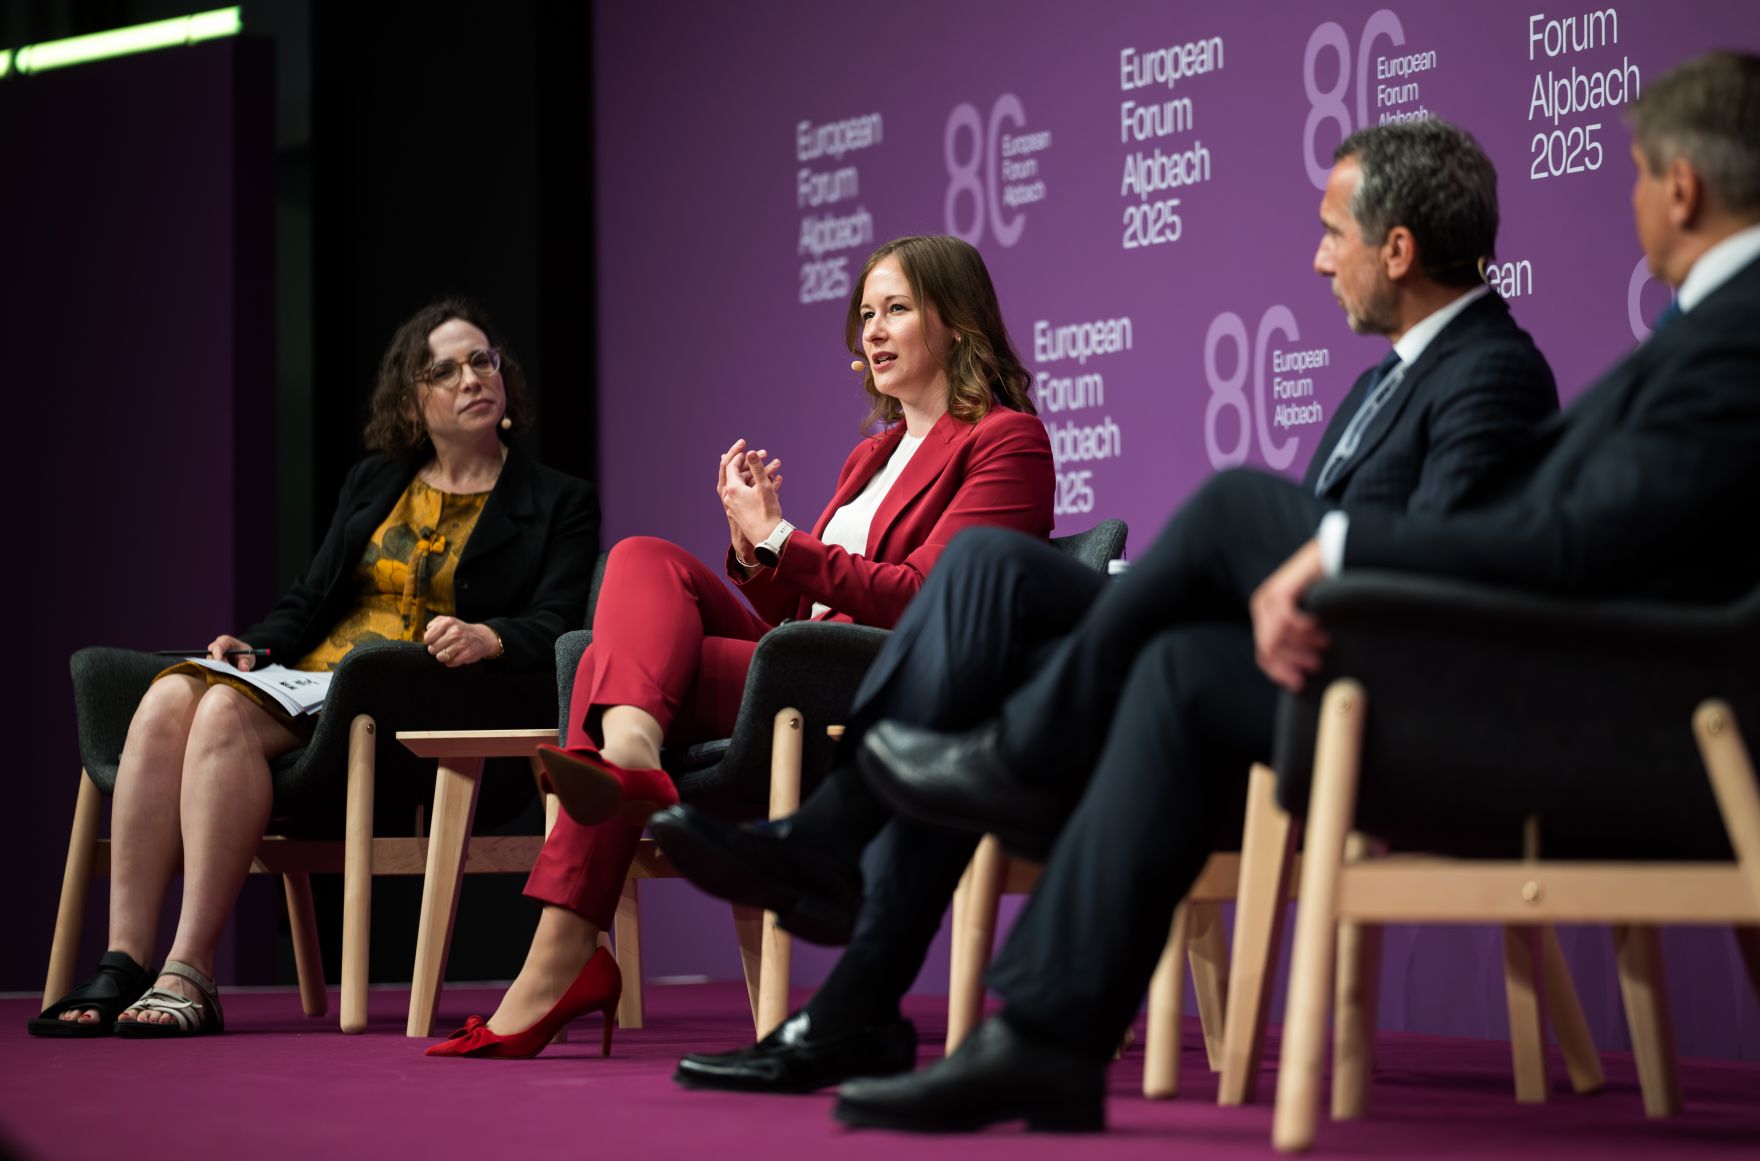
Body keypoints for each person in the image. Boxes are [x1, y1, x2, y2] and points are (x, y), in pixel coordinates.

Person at [832, 50, 1760, 1131]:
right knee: (1181, 670)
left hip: (1593, 721)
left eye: (1639, 176)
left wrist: (1337, 560)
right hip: (1524, 682)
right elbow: (1580, 537)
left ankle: (1023, 754)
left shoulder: (1728, 341)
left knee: (1232, 511)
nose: (1317, 261)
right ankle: (1042, 1036)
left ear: (1680, 187)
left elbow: (1567, 544)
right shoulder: (1704, 336)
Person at [650, 117, 1559, 1093]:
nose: (1317, 259)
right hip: (1236, 650)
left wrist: (1290, 583)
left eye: (1333, 233)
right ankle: (847, 965)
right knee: (983, 589)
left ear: (1396, 248)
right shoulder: (1382, 384)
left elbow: (1448, 569)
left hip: (1326, 685)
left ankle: (839, 889)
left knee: (1007, 653)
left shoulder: (1489, 372)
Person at [423, 234, 1055, 1059]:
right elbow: (802, 606)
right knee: (642, 558)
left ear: (958, 320)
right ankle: (630, 754)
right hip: (808, 668)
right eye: (865, 312)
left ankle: (561, 954)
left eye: (896, 308)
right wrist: (754, 547)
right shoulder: (872, 454)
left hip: (887, 687)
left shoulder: (1007, 441)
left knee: (616, 672)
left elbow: (935, 601)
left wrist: (784, 536)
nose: (872, 330)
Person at [30, 299, 601, 1038]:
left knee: (223, 713)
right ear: (413, 397)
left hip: (417, 706)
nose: (472, 377)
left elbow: (561, 620)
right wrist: (256, 648)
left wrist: (493, 635)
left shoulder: (559, 500)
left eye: (483, 360)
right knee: (171, 692)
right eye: (447, 368)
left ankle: (189, 969)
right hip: (316, 685)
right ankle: (124, 960)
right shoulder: (375, 481)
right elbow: (310, 600)